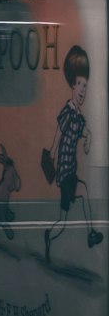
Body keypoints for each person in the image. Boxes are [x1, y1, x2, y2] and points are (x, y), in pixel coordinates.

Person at [45, 44, 103, 263]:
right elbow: (60, 129)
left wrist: (88, 139)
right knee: (85, 192)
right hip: (65, 173)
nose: (82, 90)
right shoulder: (69, 110)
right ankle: (90, 234)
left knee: (62, 221)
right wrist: (52, 150)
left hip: (70, 171)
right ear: (72, 84)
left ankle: (50, 236)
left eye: (85, 85)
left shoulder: (79, 117)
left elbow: (85, 138)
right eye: (79, 84)